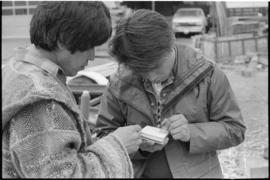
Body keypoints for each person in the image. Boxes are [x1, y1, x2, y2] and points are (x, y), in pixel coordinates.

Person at [96, 9, 246, 178]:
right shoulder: (120, 82)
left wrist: (192, 132)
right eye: (141, 70)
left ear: (170, 45)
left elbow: (235, 130)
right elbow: (103, 136)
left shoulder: (208, 75)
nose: (151, 76)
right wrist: (138, 145)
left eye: (155, 67)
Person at [2, 1, 142, 178]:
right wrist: (117, 145)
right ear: (63, 40)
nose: (92, 56)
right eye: (89, 46)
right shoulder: (40, 101)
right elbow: (61, 175)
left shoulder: (17, 68)